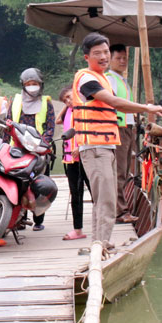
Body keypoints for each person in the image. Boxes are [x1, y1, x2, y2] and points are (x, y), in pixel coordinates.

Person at [72, 33, 162, 257]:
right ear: (86, 57)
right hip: (94, 147)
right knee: (105, 198)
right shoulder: (86, 78)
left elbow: (118, 108)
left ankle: (101, 242)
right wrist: (147, 108)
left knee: (108, 197)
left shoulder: (102, 78)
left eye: (105, 52)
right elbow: (113, 102)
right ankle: (100, 244)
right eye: (98, 54)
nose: (103, 57)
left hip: (107, 146)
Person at [10, 67, 55, 230]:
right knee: (19, 183)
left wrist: (42, 143)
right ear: (23, 85)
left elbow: (50, 127)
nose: (32, 86)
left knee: (40, 185)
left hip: (39, 150)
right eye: (29, 84)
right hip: (18, 149)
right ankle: (19, 219)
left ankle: (38, 219)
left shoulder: (46, 103)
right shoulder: (16, 102)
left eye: (35, 83)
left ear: (40, 85)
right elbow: (9, 124)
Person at [106, 45, 138, 223]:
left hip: (127, 127)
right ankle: (119, 211)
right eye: (118, 58)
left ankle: (121, 208)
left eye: (125, 58)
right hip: (118, 128)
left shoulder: (121, 80)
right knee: (119, 171)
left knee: (125, 171)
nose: (123, 61)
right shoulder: (110, 79)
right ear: (110, 60)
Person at [57, 86, 88, 241]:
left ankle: (101, 226)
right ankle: (78, 229)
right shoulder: (68, 111)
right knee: (76, 194)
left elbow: (89, 130)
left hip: (86, 157)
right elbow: (57, 120)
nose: (69, 101)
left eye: (70, 97)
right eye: (65, 100)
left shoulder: (85, 110)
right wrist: (67, 105)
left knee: (96, 192)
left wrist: (80, 146)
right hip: (71, 159)